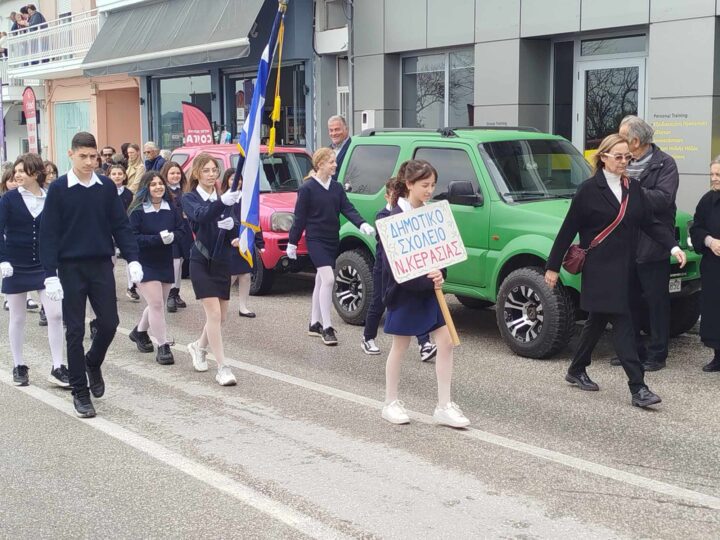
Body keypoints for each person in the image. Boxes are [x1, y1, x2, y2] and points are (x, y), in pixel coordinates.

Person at [545, 134, 686, 409]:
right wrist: (552, 267)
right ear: (603, 157)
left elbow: (650, 222)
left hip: (625, 268)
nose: (624, 162)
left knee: (597, 319)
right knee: (624, 323)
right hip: (599, 269)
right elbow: (567, 230)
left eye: (627, 157)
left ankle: (576, 369)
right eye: (618, 157)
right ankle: (638, 387)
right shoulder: (588, 190)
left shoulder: (633, 188)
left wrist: (673, 247)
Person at [40, 131, 143, 418]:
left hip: (100, 264)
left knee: (110, 323)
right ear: (70, 155)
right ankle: (80, 393)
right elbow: (48, 234)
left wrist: (132, 258)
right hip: (70, 267)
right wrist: (50, 274)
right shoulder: (59, 189)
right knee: (74, 330)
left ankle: (93, 361)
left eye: (93, 156)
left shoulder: (105, 188)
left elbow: (120, 225)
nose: (89, 162)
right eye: (83, 156)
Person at [379, 159, 470, 428]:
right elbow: (392, 267)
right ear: (409, 184)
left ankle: (444, 404)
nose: (430, 190)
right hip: (405, 292)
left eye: (432, 185)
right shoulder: (390, 218)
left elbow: (442, 254)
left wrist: (441, 273)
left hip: (431, 291)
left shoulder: (433, 215)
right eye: (424, 185)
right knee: (401, 345)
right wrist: (425, 281)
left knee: (445, 342)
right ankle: (390, 401)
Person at [287, 147, 374, 345]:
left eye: (335, 161)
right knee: (328, 279)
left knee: (320, 281)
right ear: (320, 164)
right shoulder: (307, 188)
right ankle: (326, 327)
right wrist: (292, 242)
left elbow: (347, 208)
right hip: (315, 239)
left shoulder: (336, 188)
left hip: (331, 238)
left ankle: (313, 323)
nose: (335, 164)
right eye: (331, 162)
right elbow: (299, 218)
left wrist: (362, 224)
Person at [0, 154, 69, 388]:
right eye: (16, 171)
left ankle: (58, 366)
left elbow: (60, 230)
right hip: (15, 265)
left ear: (36, 173)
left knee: (56, 315)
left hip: (44, 265)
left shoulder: (51, 198)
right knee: (17, 317)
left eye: (22, 170)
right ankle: (19, 365)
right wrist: (3, 259)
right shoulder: (8, 199)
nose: (17, 174)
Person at [617, 115, 679, 372]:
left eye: (622, 138)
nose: (619, 143)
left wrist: (632, 190)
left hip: (653, 244)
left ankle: (656, 353)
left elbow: (663, 200)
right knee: (628, 300)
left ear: (636, 140)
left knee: (655, 302)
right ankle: (632, 350)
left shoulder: (665, 164)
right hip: (625, 244)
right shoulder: (623, 161)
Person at [181, 153, 241, 386]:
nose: (211, 174)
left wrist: (233, 228)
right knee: (214, 314)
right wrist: (222, 203)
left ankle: (198, 346)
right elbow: (201, 215)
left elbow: (234, 223)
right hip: (201, 260)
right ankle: (223, 367)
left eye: (214, 170)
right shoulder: (190, 197)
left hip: (222, 260)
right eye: (206, 170)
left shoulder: (222, 196)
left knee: (221, 316)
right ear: (196, 173)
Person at [362, 177, 437, 362]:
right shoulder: (383, 216)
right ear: (387, 196)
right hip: (384, 269)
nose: (395, 199)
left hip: (406, 268)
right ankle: (368, 337)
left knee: (415, 303)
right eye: (392, 196)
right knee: (378, 303)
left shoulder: (409, 212)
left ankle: (424, 344)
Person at [127, 171, 185, 365]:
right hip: (144, 262)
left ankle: (139, 332)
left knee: (156, 303)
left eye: (160, 183)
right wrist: (157, 239)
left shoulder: (172, 207)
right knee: (158, 305)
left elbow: (182, 230)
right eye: (153, 185)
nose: (158, 187)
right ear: (146, 188)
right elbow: (132, 238)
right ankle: (162, 345)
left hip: (165, 260)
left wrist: (173, 237)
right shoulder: (137, 210)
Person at [690, 157, 720, 372]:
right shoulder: (708, 200)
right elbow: (697, 227)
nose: (714, 179)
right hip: (714, 266)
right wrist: (710, 241)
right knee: (714, 310)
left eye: (718, 175)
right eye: (712, 174)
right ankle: (718, 356)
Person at [220, 167, 264, 318]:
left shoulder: (247, 198)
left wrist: (260, 242)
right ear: (227, 181)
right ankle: (219, 302)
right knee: (230, 276)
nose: (236, 182)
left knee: (245, 275)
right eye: (233, 179)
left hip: (245, 242)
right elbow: (221, 222)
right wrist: (231, 238)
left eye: (239, 179)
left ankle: (243, 306)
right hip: (229, 243)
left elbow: (254, 221)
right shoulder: (224, 199)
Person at [160, 160, 191, 312]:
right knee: (174, 262)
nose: (175, 176)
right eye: (172, 173)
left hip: (184, 230)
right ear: (165, 174)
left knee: (181, 262)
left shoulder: (185, 191)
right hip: (170, 230)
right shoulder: (163, 192)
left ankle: (176, 292)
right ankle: (170, 294)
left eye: (178, 173)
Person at [327, 115, 351, 181]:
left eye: (337, 129)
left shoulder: (353, 148)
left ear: (346, 129)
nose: (333, 133)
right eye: (331, 130)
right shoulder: (327, 150)